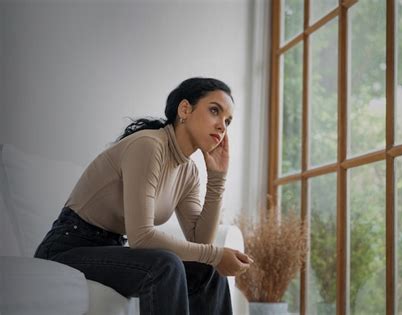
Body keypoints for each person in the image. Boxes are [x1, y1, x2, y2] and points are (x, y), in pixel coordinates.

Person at [34, 77, 253, 315]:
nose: (222, 126)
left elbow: (201, 242)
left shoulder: (188, 171)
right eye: (214, 111)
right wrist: (216, 254)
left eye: (228, 121)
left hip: (112, 248)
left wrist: (217, 178)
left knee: (209, 273)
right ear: (185, 109)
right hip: (68, 248)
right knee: (166, 265)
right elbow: (141, 237)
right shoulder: (149, 145)